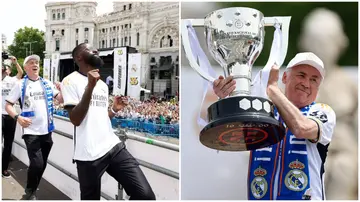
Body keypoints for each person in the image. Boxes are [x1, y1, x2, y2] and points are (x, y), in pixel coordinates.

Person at [212, 52, 336, 200]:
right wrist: (224, 97)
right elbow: (228, 134)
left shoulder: (322, 111)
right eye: (301, 75)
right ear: (285, 77)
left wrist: (273, 90)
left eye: (314, 80)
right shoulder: (262, 110)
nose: (306, 83)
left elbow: (300, 128)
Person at [60, 43, 155, 200]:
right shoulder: (70, 81)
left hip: (113, 146)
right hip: (88, 155)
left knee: (145, 195)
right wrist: (90, 87)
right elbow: (76, 119)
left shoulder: (103, 85)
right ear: (79, 57)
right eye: (90, 49)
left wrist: (114, 110)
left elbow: (99, 118)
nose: (96, 50)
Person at [5, 54, 64, 200]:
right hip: (30, 130)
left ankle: (33, 187)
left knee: (42, 163)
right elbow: (8, 105)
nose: (35, 64)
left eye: (37, 62)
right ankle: (30, 191)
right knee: (37, 164)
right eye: (31, 62)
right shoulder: (20, 84)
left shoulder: (47, 83)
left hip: (47, 130)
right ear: (25, 67)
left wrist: (63, 88)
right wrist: (18, 117)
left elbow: (61, 99)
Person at [1, 56, 23, 178]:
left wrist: (15, 62)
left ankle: (4, 168)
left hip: (10, 115)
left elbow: (20, 73)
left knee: (8, 143)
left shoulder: (12, 80)